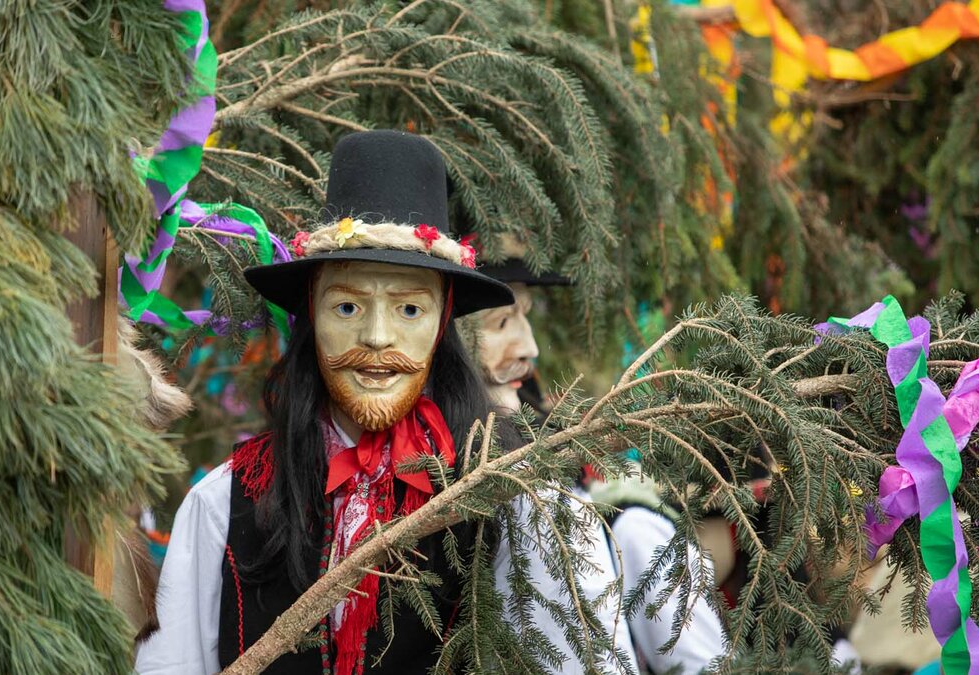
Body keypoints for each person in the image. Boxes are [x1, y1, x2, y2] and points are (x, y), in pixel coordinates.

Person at [137, 130, 530, 675]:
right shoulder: (222, 506)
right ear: (311, 319)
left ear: (442, 326)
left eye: (409, 310)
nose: (375, 337)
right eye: (346, 307)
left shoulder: (510, 503)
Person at [466, 248, 727, 673]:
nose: (530, 346)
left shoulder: (580, 508)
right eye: (501, 322)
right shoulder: (530, 502)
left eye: (525, 316)